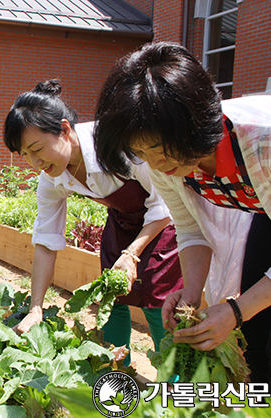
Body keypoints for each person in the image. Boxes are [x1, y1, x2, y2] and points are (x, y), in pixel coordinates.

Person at [93, 41, 271, 384]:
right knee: (255, 339)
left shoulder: (263, 145)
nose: (156, 166)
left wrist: (235, 310)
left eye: (159, 151)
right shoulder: (168, 161)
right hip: (262, 214)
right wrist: (192, 291)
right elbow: (190, 228)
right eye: (141, 153)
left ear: (195, 123)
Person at [3, 79, 183, 366]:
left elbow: (163, 203)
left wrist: (131, 253)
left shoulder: (118, 143)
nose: (34, 162)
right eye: (25, 155)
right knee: (111, 297)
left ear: (64, 129)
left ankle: (173, 384)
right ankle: (114, 368)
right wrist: (36, 307)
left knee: (156, 300)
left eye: (37, 149)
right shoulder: (51, 178)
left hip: (165, 220)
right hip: (123, 222)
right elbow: (47, 241)